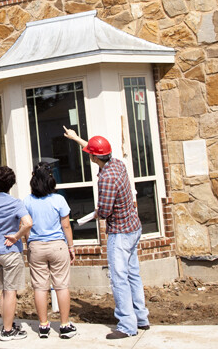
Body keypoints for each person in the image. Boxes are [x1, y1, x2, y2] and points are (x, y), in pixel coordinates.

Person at [63, 126, 150, 339]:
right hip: (133, 227)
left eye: (90, 155)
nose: (90, 156)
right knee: (133, 274)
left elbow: (104, 211)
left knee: (119, 278)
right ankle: (141, 318)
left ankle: (127, 326)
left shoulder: (106, 178)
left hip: (120, 233)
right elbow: (94, 149)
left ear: (94, 158)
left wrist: (94, 214)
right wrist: (76, 139)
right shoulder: (117, 164)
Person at [23, 162, 77, 339]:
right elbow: (66, 225)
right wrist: (71, 247)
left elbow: (25, 225)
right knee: (61, 286)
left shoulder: (28, 201)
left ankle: (44, 326)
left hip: (36, 246)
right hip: (57, 246)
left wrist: (28, 243)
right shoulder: (58, 200)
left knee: (40, 287)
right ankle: (64, 325)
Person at [0, 166, 34, 341]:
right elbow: (28, 223)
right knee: (11, 291)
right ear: (12, 184)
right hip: (10, 252)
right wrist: (16, 237)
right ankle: (8, 331)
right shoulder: (15, 203)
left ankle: (6, 324)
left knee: (3, 290)